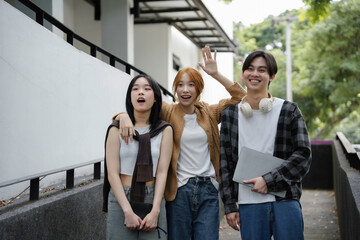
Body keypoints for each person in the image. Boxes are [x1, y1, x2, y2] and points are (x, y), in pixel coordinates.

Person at [116, 46, 246, 240]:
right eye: (180, 85)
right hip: (178, 191)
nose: (185, 90)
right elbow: (140, 107)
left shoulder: (209, 112)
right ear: (175, 89)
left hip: (208, 190)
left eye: (191, 85)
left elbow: (241, 98)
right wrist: (122, 116)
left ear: (199, 89)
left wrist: (216, 74)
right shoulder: (168, 111)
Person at [219, 50, 312, 240]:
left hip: (285, 200)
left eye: (262, 70)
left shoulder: (289, 110)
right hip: (248, 205)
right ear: (243, 74)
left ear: (272, 76)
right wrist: (229, 206)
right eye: (250, 69)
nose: (255, 74)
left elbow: (303, 156)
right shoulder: (230, 115)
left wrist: (268, 181)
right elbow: (225, 163)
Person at [103, 74, 173, 240]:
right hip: (121, 197)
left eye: (147, 89)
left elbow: (163, 172)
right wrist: (127, 211)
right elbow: (112, 173)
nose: (140, 92)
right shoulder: (115, 129)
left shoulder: (165, 130)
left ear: (155, 98)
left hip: (153, 196)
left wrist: (156, 210)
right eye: (135, 89)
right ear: (130, 97)